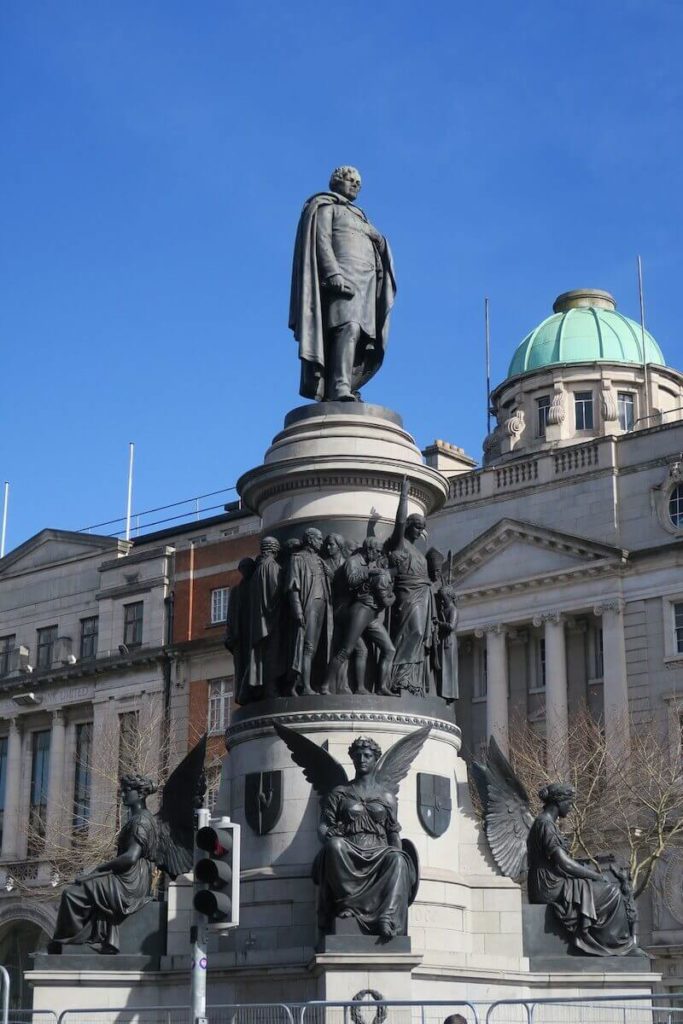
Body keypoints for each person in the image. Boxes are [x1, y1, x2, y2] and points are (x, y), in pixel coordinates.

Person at [289, 166, 396, 402]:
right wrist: (333, 273)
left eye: (359, 182)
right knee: (347, 327)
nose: (356, 184)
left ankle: (346, 382)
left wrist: (378, 238)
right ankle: (338, 386)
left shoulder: (361, 216)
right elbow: (321, 241)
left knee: (362, 337)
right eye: (351, 180)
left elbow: (380, 245)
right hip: (343, 278)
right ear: (337, 182)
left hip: (366, 284)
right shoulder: (327, 208)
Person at [313, 737, 415, 938]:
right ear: (351, 758)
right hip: (349, 847)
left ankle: (388, 917)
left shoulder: (386, 797)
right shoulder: (340, 794)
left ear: (375, 759)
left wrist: (398, 853)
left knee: (398, 859)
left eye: (367, 756)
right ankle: (347, 906)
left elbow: (393, 832)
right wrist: (327, 836)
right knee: (334, 846)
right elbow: (324, 825)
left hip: (379, 849)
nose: (362, 759)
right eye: (358, 755)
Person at [48, 774, 160, 954]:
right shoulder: (140, 818)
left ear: (140, 794)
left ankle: (64, 944)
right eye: (122, 791)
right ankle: (76, 941)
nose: (123, 795)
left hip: (130, 882)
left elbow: (131, 857)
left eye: (127, 791)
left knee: (72, 894)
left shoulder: (141, 821)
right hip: (128, 877)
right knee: (85, 885)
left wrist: (101, 868)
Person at [527, 782, 637, 956]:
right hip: (549, 886)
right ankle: (617, 945)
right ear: (558, 802)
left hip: (551, 881)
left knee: (602, 889)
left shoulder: (545, 823)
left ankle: (612, 943)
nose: (571, 808)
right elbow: (565, 864)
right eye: (569, 803)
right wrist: (597, 876)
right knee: (611, 892)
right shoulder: (545, 824)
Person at [324, 537, 396, 695]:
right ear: (369, 549)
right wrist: (369, 573)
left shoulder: (371, 563)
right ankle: (325, 685)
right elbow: (351, 580)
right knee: (346, 650)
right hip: (359, 611)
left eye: (380, 553)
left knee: (389, 649)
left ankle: (379, 687)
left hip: (371, 614)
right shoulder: (353, 561)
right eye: (377, 551)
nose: (378, 555)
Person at [386, 477, 434, 696]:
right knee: (411, 631)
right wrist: (404, 496)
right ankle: (396, 677)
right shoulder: (400, 544)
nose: (419, 532)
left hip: (423, 595)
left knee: (419, 637)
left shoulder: (419, 553)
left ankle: (410, 680)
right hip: (408, 594)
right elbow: (398, 523)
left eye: (422, 528)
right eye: (416, 527)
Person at [286, 527, 332, 695]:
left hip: (323, 606)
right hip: (309, 605)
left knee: (317, 647)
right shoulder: (297, 559)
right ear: (311, 539)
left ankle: (305, 683)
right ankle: (304, 686)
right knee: (307, 646)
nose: (322, 542)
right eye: (319, 539)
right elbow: (292, 587)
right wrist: (297, 611)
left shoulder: (320, 561)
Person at [242, 536, 283, 701]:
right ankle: (270, 690)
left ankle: (260, 690)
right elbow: (275, 593)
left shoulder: (258, 569)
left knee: (262, 657)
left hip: (259, 622)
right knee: (272, 656)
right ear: (274, 549)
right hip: (270, 621)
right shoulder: (272, 567)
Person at [427, 549, 459, 702]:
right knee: (441, 668)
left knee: (448, 669)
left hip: (448, 643)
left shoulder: (452, 609)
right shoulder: (443, 608)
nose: (442, 600)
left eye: (444, 597)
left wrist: (439, 623)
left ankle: (448, 694)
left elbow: (451, 626)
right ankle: (440, 691)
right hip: (442, 641)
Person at [225, 557, 256, 701]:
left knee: (253, 662)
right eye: (243, 568)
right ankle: (242, 694)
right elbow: (230, 615)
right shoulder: (236, 591)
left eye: (248, 567)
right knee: (240, 666)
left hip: (253, 631)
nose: (245, 570)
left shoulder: (257, 587)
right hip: (239, 635)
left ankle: (251, 691)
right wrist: (229, 635)